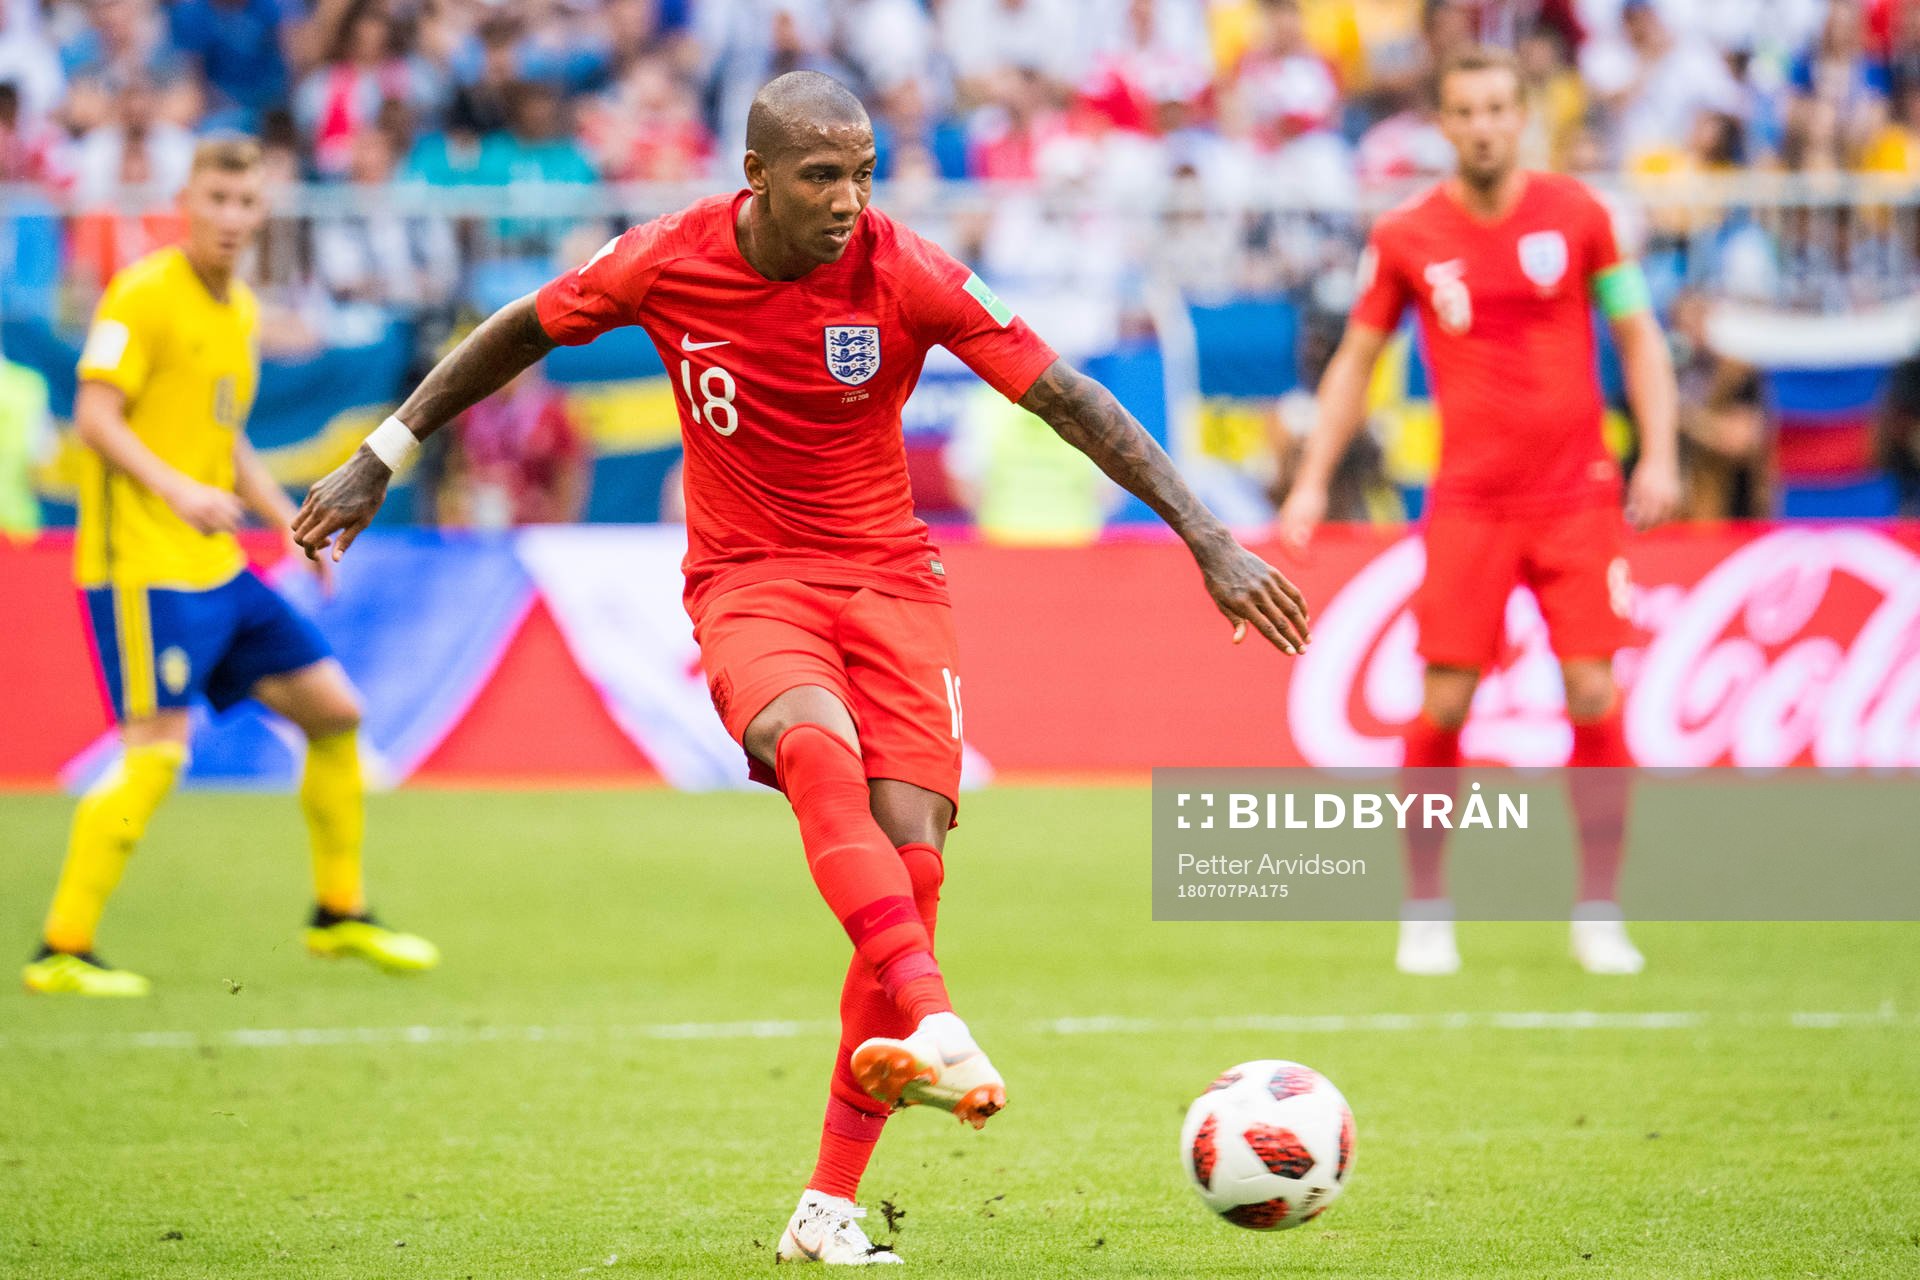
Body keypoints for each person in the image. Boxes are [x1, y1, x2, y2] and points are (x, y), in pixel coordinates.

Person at [292, 70, 1309, 1265]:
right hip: (751, 578)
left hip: (893, 584)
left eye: (865, 173)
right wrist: (383, 449)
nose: (848, 200)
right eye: (823, 176)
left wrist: (1207, 534)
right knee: (812, 742)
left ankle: (827, 1208)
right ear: (758, 178)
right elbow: (518, 328)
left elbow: (1069, 398)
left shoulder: (907, 269)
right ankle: (936, 1018)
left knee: (914, 866)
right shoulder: (666, 259)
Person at [1278, 46, 1680, 978]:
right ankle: (1424, 902)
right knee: (1444, 700)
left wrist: (1656, 451)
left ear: (1522, 115)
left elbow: (1637, 333)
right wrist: (1309, 479)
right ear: (1445, 124)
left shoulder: (1580, 219)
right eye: (1466, 111)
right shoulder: (1410, 234)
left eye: (1499, 108)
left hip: (1578, 494)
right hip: (1469, 503)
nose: (1484, 125)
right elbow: (1356, 362)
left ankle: (1598, 906)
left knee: (1593, 691)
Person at [22, 137, 439, 999]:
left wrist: (291, 520)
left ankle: (339, 913)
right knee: (156, 755)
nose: (230, 218)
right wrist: (176, 489)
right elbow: (95, 416)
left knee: (334, 712)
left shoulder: (237, 309)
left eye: (246, 204)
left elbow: (225, 433)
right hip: (140, 565)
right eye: (216, 199)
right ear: (185, 201)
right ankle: (62, 947)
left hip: (213, 565)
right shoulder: (142, 296)